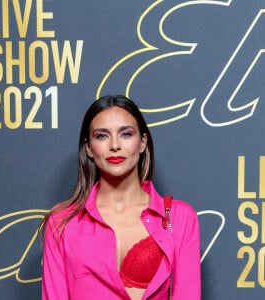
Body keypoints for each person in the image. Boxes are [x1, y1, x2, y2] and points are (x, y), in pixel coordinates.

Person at [40, 95, 201, 300]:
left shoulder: (180, 218)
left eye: (126, 134)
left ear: (142, 142)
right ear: (89, 147)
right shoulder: (62, 222)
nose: (115, 145)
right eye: (102, 136)